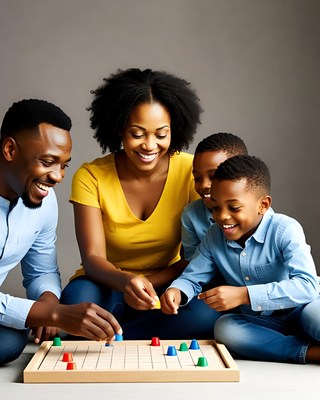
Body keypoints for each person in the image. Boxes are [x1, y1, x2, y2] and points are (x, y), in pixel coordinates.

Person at [0, 99, 121, 374]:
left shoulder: (44, 201)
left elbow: (41, 272)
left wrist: (49, 301)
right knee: (10, 337)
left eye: (64, 165)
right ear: (10, 149)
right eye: (48, 162)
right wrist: (55, 314)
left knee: (10, 335)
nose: (58, 176)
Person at [61, 68, 220, 339]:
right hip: (106, 283)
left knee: (208, 314)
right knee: (76, 301)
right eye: (137, 133)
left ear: (176, 129)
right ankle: (125, 331)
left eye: (161, 134)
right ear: (118, 129)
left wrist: (147, 283)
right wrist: (127, 282)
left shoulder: (193, 171)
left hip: (170, 284)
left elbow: (198, 256)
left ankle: (113, 335)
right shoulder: (91, 176)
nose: (149, 145)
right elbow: (93, 258)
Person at [161, 154, 320, 364]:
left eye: (234, 208)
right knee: (226, 329)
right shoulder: (214, 235)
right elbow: (193, 277)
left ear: (263, 204)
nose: (222, 216)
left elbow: (307, 286)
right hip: (262, 322)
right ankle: (308, 352)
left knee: (315, 318)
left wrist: (245, 295)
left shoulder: (285, 229)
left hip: (303, 308)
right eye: (216, 207)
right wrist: (177, 291)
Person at [182, 132, 248, 261]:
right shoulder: (191, 215)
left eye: (214, 177)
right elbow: (193, 264)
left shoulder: (260, 217)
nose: (204, 185)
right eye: (198, 178)